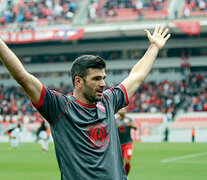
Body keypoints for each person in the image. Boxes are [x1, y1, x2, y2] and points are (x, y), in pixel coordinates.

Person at [0, 25, 170, 179]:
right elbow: (23, 78)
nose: (103, 83)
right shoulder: (59, 107)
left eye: (103, 78)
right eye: (96, 78)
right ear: (79, 82)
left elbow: (136, 77)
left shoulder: (109, 101)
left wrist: (154, 47)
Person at [116, 107, 137, 176]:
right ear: (118, 111)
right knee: (118, 162)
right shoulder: (115, 120)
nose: (123, 111)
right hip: (118, 145)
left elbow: (136, 128)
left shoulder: (129, 119)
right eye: (121, 109)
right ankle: (119, 175)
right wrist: (115, 127)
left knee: (127, 161)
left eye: (124, 110)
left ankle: (125, 175)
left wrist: (130, 125)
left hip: (128, 143)